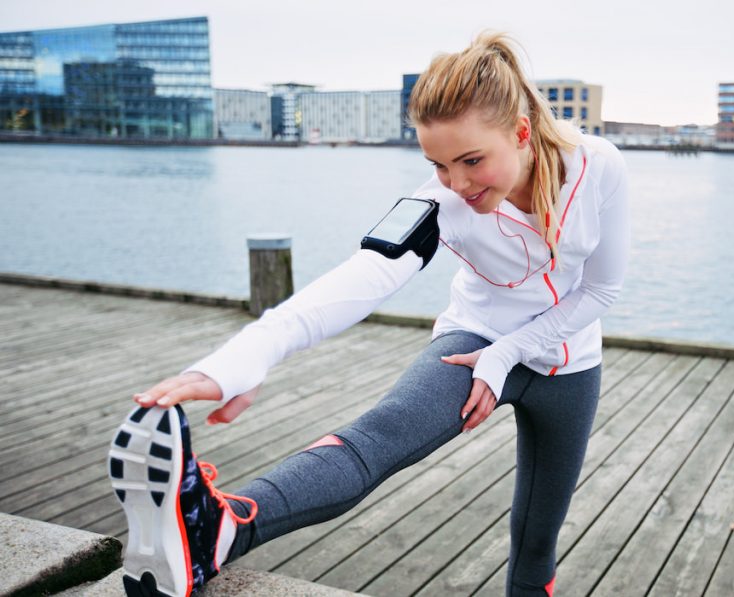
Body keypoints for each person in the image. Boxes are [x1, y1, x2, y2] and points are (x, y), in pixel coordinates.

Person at [107, 32, 629, 597]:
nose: (457, 183)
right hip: (472, 339)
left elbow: (600, 291)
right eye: (439, 164)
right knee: (375, 439)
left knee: (536, 541)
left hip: (569, 362)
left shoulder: (595, 165)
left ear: (521, 132)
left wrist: (508, 354)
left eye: (472, 160)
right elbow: (363, 275)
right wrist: (246, 355)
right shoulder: (440, 202)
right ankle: (217, 530)